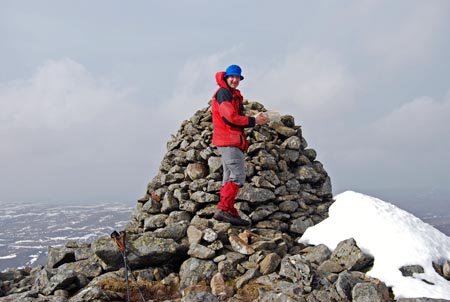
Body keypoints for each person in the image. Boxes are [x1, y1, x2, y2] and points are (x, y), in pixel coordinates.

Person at [211, 64, 269, 226]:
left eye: (238, 77)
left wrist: (253, 119)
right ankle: (224, 208)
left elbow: (235, 116)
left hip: (229, 139)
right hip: (228, 139)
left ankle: (228, 209)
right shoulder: (224, 93)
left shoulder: (230, 94)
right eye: (232, 77)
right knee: (237, 176)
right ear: (226, 77)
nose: (235, 80)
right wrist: (253, 121)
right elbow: (231, 117)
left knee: (228, 175)